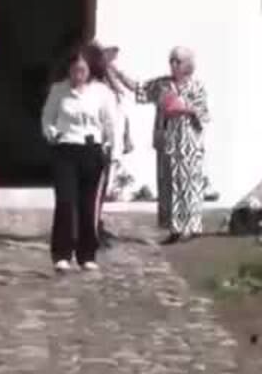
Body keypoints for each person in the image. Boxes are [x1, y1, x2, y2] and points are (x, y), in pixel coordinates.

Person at [40, 50, 119, 272]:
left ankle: (87, 254)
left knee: (88, 205)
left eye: (82, 70)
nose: (78, 75)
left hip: (92, 150)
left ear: (90, 70)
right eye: (75, 70)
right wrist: (51, 132)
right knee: (65, 202)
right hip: (65, 149)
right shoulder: (59, 90)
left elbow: (111, 123)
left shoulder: (101, 93)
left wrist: (115, 152)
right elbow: (47, 117)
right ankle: (61, 254)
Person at [130, 46, 212, 244]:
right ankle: (174, 228)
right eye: (171, 60)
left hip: (189, 141)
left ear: (188, 65)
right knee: (169, 184)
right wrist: (112, 71)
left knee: (189, 183)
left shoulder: (197, 86)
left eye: (178, 61)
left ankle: (191, 227)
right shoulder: (162, 85)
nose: (174, 64)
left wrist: (185, 108)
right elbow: (138, 88)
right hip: (167, 141)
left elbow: (204, 114)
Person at [87, 43, 136, 250]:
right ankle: (90, 231)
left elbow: (121, 111)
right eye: (107, 59)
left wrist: (126, 136)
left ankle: (95, 225)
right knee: (94, 190)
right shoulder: (94, 86)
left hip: (111, 145)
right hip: (100, 145)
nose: (111, 63)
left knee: (101, 189)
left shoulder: (110, 84)